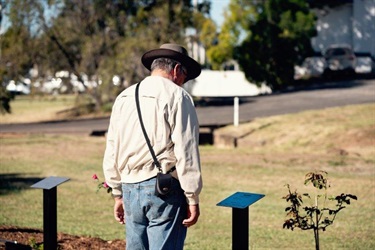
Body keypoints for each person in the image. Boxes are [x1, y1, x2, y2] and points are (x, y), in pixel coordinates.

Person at [102, 43, 203, 250]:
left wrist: (117, 192)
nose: (183, 82)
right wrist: (192, 197)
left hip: (129, 188)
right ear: (176, 70)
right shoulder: (178, 96)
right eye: (184, 75)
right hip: (163, 189)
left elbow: (112, 146)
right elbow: (187, 151)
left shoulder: (125, 96)